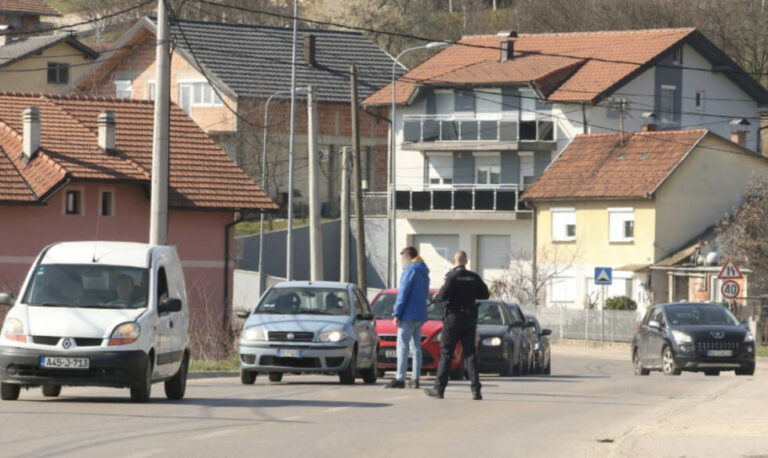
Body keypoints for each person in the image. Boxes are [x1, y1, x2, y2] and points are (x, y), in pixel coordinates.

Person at [426, 250, 489, 400]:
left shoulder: (451, 277)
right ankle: (476, 390)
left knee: (446, 354)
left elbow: (442, 296)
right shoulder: (474, 277)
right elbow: (485, 295)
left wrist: (435, 298)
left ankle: (439, 389)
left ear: (454, 260)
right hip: (469, 319)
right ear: (466, 262)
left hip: (453, 319)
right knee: (470, 355)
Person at [385, 246, 429, 389]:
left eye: (403, 258)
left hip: (408, 315)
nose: (402, 261)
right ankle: (415, 378)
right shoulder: (424, 272)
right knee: (416, 348)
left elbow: (403, 294)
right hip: (420, 315)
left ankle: (400, 377)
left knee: (402, 347)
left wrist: (397, 314)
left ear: (408, 257)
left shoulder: (410, 271)